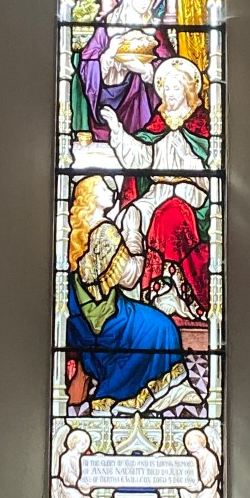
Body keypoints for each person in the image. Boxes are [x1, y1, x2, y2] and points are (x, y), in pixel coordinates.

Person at [66, 175, 200, 412]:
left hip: (80, 320)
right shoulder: (106, 232)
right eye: (105, 188)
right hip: (108, 318)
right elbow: (130, 278)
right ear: (92, 198)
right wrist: (134, 233)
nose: (112, 191)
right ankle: (130, 394)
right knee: (161, 326)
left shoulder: (77, 232)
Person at [100, 57, 210, 318]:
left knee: (168, 215)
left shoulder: (202, 125)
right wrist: (118, 131)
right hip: (158, 189)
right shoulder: (159, 123)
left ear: (188, 90)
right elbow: (142, 159)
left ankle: (172, 290)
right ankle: (133, 284)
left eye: (176, 88)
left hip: (189, 191)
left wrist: (192, 163)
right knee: (132, 214)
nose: (170, 94)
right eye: (166, 88)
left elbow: (209, 169)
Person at [79, 0, 173, 140]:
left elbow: (168, 63)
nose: (145, 2)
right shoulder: (108, 24)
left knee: (140, 131)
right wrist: (108, 55)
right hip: (108, 90)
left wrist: (145, 70)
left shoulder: (155, 28)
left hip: (140, 92)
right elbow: (88, 58)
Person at [178, 429, 221, 498]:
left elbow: (209, 476)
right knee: (183, 490)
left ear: (201, 443)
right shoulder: (190, 458)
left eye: (195, 443)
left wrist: (200, 484)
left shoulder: (209, 457)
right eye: (190, 444)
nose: (192, 446)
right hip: (194, 486)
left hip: (207, 488)